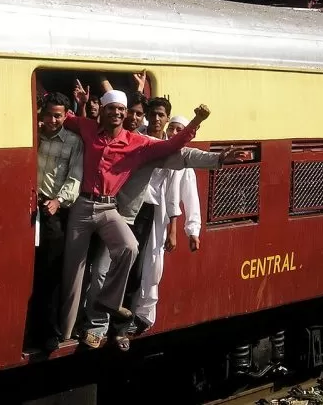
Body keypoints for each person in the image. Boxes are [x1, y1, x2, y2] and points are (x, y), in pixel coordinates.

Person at [59, 89, 212, 349]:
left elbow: (174, 148)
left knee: (130, 251)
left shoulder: (136, 142)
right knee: (75, 271)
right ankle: (64, 331)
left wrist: (196, 122)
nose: (116, 113)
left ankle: (107, 307)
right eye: (111, 108)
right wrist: (69, 108)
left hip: (113, 208)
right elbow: (64, 118)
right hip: (83, 205)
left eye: (121, 109)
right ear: (104, 111)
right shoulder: (87, 128)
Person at [131, 115, 203, 335]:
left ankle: (144, 313)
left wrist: (191, 230)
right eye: (171, 128)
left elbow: (190, 200)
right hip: (143, 210)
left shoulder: (184, 164)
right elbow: (144, 121)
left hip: (161, 217)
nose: (173, 133)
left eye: (178, 129)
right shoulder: (154, 146)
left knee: (153, 264)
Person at [27, 92, 84, 352]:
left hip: (53, 210)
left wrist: (58, 201)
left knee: (50, 274)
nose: (52, 119)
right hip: (29, 207)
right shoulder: (33, 135)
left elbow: (75, 177)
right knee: (30, 270)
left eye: (58, 115)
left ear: (66, 115)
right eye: (49, 114)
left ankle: (49, 331)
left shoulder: (73, 142)